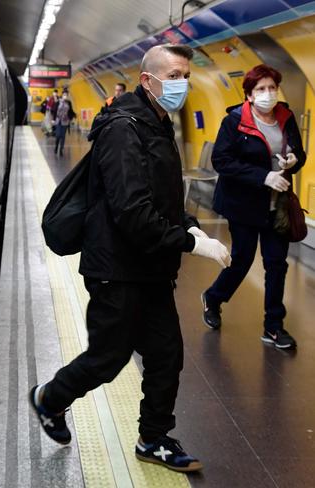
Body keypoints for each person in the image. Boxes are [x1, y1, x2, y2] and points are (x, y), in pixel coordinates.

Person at [29, 44, 232, 473]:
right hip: (116, 267)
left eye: (186, 76)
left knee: (166, 354)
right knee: (109, 357)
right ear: (148, 81)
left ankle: (153, 438)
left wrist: (189, 223)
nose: (183, 84)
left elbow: (163, 195)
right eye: (174, 75)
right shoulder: (124, 129)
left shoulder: (158, 123)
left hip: (151, 267)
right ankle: (50, 398)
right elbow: (132, 212)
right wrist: (192, 243)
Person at [201, 64, 306, 349]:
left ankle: (274, 326)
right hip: (243, 205)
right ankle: (214, 297)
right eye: (261, 89)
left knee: (276, 265)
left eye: (272, 88)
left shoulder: (285, 117)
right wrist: (264, 176)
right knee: (242, 260)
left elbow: (300, 152)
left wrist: (294, 160)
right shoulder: (234, 121)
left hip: (278, 205)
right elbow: (222, 161)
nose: (268, 94)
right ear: (248, 94)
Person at [53, 91, 75, 155]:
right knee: (58, 135)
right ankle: (56, 146)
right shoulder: (58, 102)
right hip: (58, 120)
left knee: (63, 136)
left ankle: (61, 149)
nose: (65, 96)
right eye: (64, 95)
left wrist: (72, 117)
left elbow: (71, 111)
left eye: (66, 95)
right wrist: (53, 119)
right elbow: (55, 110)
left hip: (65, 121)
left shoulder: (69, 103)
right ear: (62, 95)